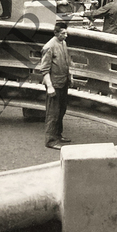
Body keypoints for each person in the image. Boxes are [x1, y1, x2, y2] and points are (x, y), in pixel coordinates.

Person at [37, 22, 72, 150]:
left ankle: (58, 135)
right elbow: (44, 69)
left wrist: (69, 78)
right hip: (55, 84)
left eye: (66, 32)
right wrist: (50, 86)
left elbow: (65, 62)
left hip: (63, 82)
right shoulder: (49, 47)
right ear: (56, 33)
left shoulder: (63, 43)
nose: (66, 35)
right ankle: (50, 140)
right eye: (63, 33)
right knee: (53, 113)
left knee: (61, 110)